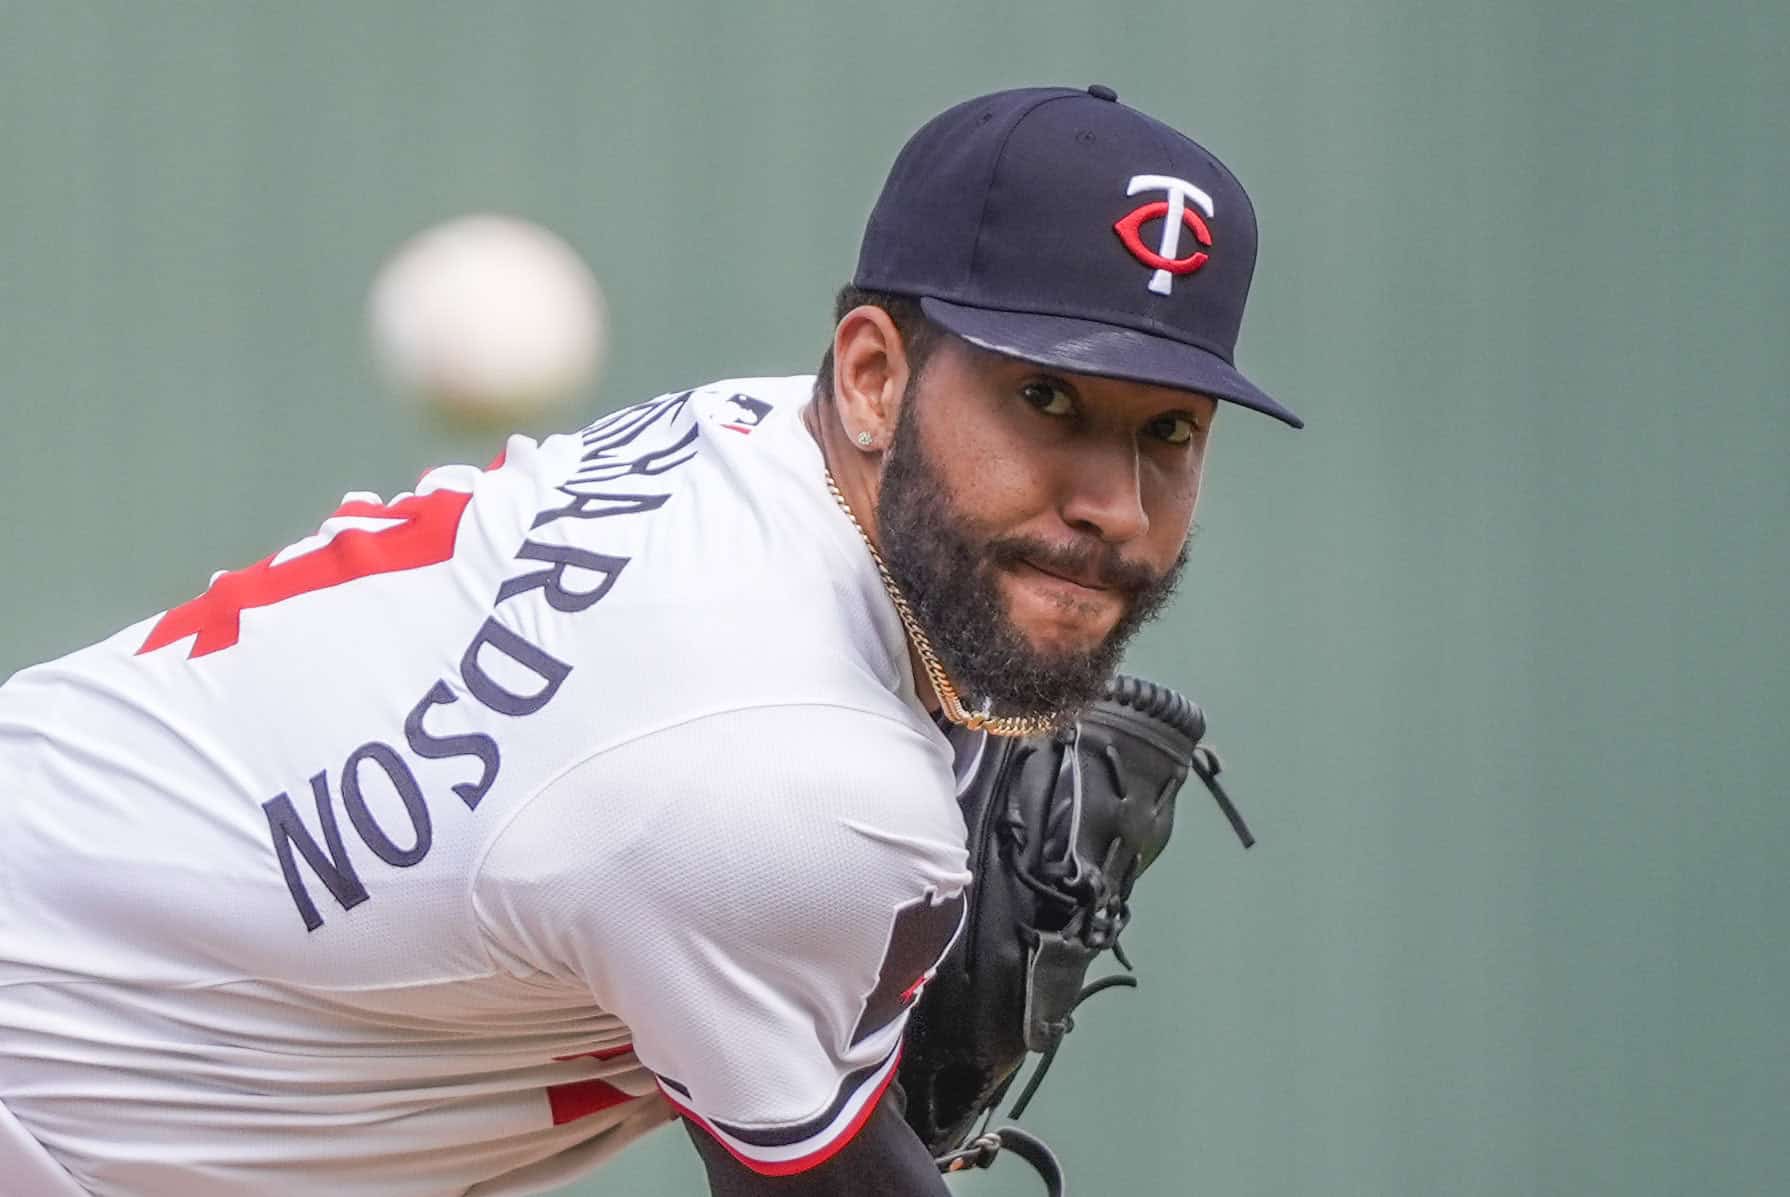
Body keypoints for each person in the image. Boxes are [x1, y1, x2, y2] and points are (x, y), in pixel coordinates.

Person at [0, 85, 1300, 1196]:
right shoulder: (790, 785)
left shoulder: (759, 441)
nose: (1113, 504)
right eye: (1046, 397)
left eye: (1167, 431)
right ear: (871, 376)